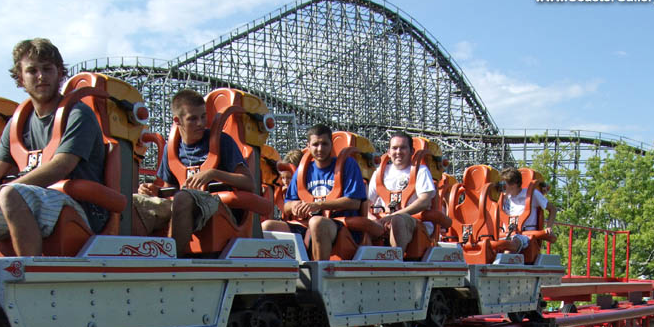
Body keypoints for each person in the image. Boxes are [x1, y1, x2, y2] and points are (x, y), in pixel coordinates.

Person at [0, 38, 107, 256]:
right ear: (20, 78)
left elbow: (61, 166)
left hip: (82, 207)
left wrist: (0, 193)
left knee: (10, 194)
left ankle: (30, 277)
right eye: (32, 70)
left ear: (60, 73)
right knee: (4, 199)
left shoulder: (78, 114)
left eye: (47, 69)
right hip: (28, 202)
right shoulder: (17, 123)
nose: (41, 76)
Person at [133, 89, 254, 255]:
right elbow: (169, 189)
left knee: (182, 197)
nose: (200, 123)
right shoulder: (172, 149)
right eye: (193, 119)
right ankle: (141, 257)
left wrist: (212, 174)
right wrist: (154, 191)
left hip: (217, 204)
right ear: (178, 121)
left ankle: (172, 260)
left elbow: (248, 182)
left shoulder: (222, 141)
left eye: (203, 116)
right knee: (135, 202)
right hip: (184, 203)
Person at [262, 124, 367, 260]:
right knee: (267, 226)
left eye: (324, 144)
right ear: (308, 146)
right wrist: (295, 206)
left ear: (331, 145)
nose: (320, 149)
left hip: (340, 226)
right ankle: (280, 276)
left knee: (317, 223)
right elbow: (287, 205)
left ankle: (319, 274)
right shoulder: (303, 170)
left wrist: (318, 205)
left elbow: (354, 202)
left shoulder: (348, 165)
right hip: (308, 225)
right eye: (315, 144)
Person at [368, 132, 436, 250]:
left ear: (412, 151)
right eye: (394, 148)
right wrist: (371, 218)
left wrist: (394, 215)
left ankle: (395, 261)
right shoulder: (379, 173)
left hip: (414, 221)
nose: (398, 152)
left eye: (403, 147)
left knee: (397, 221)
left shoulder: (421, 171)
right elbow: (366, 203)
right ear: (389, 152)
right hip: (383, 220)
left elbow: (424, 201)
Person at [497, 167, 557, 254]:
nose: (502, 187)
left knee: (511, 245)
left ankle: (499, 266)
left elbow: (553, 209)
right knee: (491, 243)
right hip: (506, 234)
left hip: (525, 235)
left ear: (514, 184)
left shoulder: (532, 194)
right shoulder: (504, 198)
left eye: (504, 184)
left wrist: (549, 227)